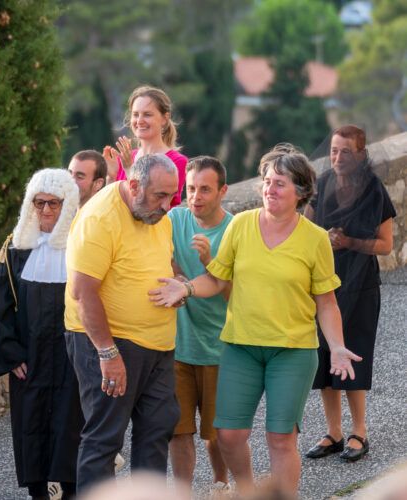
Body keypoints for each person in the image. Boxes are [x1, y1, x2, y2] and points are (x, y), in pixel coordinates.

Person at [149, 145, 361, 495]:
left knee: (280, 438)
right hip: (240, 346)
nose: (269, 189)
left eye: (279, 183)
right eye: (266, 181)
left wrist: (337, 346)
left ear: (301, 191)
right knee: (229, 435)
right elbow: (217, 279)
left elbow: (326, 302)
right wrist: (185, 289)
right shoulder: (243, 225)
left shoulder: (315, 239)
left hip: (291, 351)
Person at [64, 154, 181, 492]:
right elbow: (82, 292)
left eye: (171, 196)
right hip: (108, 341)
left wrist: (179, 283)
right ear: (133, 185)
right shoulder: (100, 218)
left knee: (157, 429)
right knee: (105, 437)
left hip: (158, 344)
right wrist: (107, 353)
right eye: (160, 196)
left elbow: (165, 259)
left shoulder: (158, 215)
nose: (167, 205)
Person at [0, 168, 84, 499]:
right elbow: (1, 306)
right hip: (31, 358)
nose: (46, 211)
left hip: (72, 357)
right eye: (39, 203)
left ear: (68, 205)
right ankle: (38, 493)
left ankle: (71, 492)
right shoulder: (16, 248)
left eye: (54, 204)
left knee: (71, 427)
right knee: (32, 427)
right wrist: (11, 354)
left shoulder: (82, 246)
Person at [304, 126, 395, 463]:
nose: (338, 157)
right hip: (323, 283)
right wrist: (321, 237)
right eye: (333, 150)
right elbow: (305, 227)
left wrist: (349, 243)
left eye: (345, 152)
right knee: (325, 360)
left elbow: (385, 246)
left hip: (361, 286)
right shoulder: (323, 183)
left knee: (353, 356)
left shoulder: (373, 189)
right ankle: (334, 432)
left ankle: (360, 432)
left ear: (360, 154)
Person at [166, 157, 231, 490]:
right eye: (190, 189)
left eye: (205, 189)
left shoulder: (234, 230)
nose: (196, 196)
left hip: (219, 349)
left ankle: (221, 486)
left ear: (223, 191)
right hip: (177, 345)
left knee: (216, 434)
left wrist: (211, 262)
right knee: (178, 431)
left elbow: (236, 297)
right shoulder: (175, 218)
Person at [103, 86, 187, 207]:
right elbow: (111, 206)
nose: (140, 121)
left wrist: (129, 170)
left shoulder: (176, 161)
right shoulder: (125, 158)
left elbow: (157, 210)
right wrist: (110, 178)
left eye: (147, 114)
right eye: (136, 114)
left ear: (164, 118)